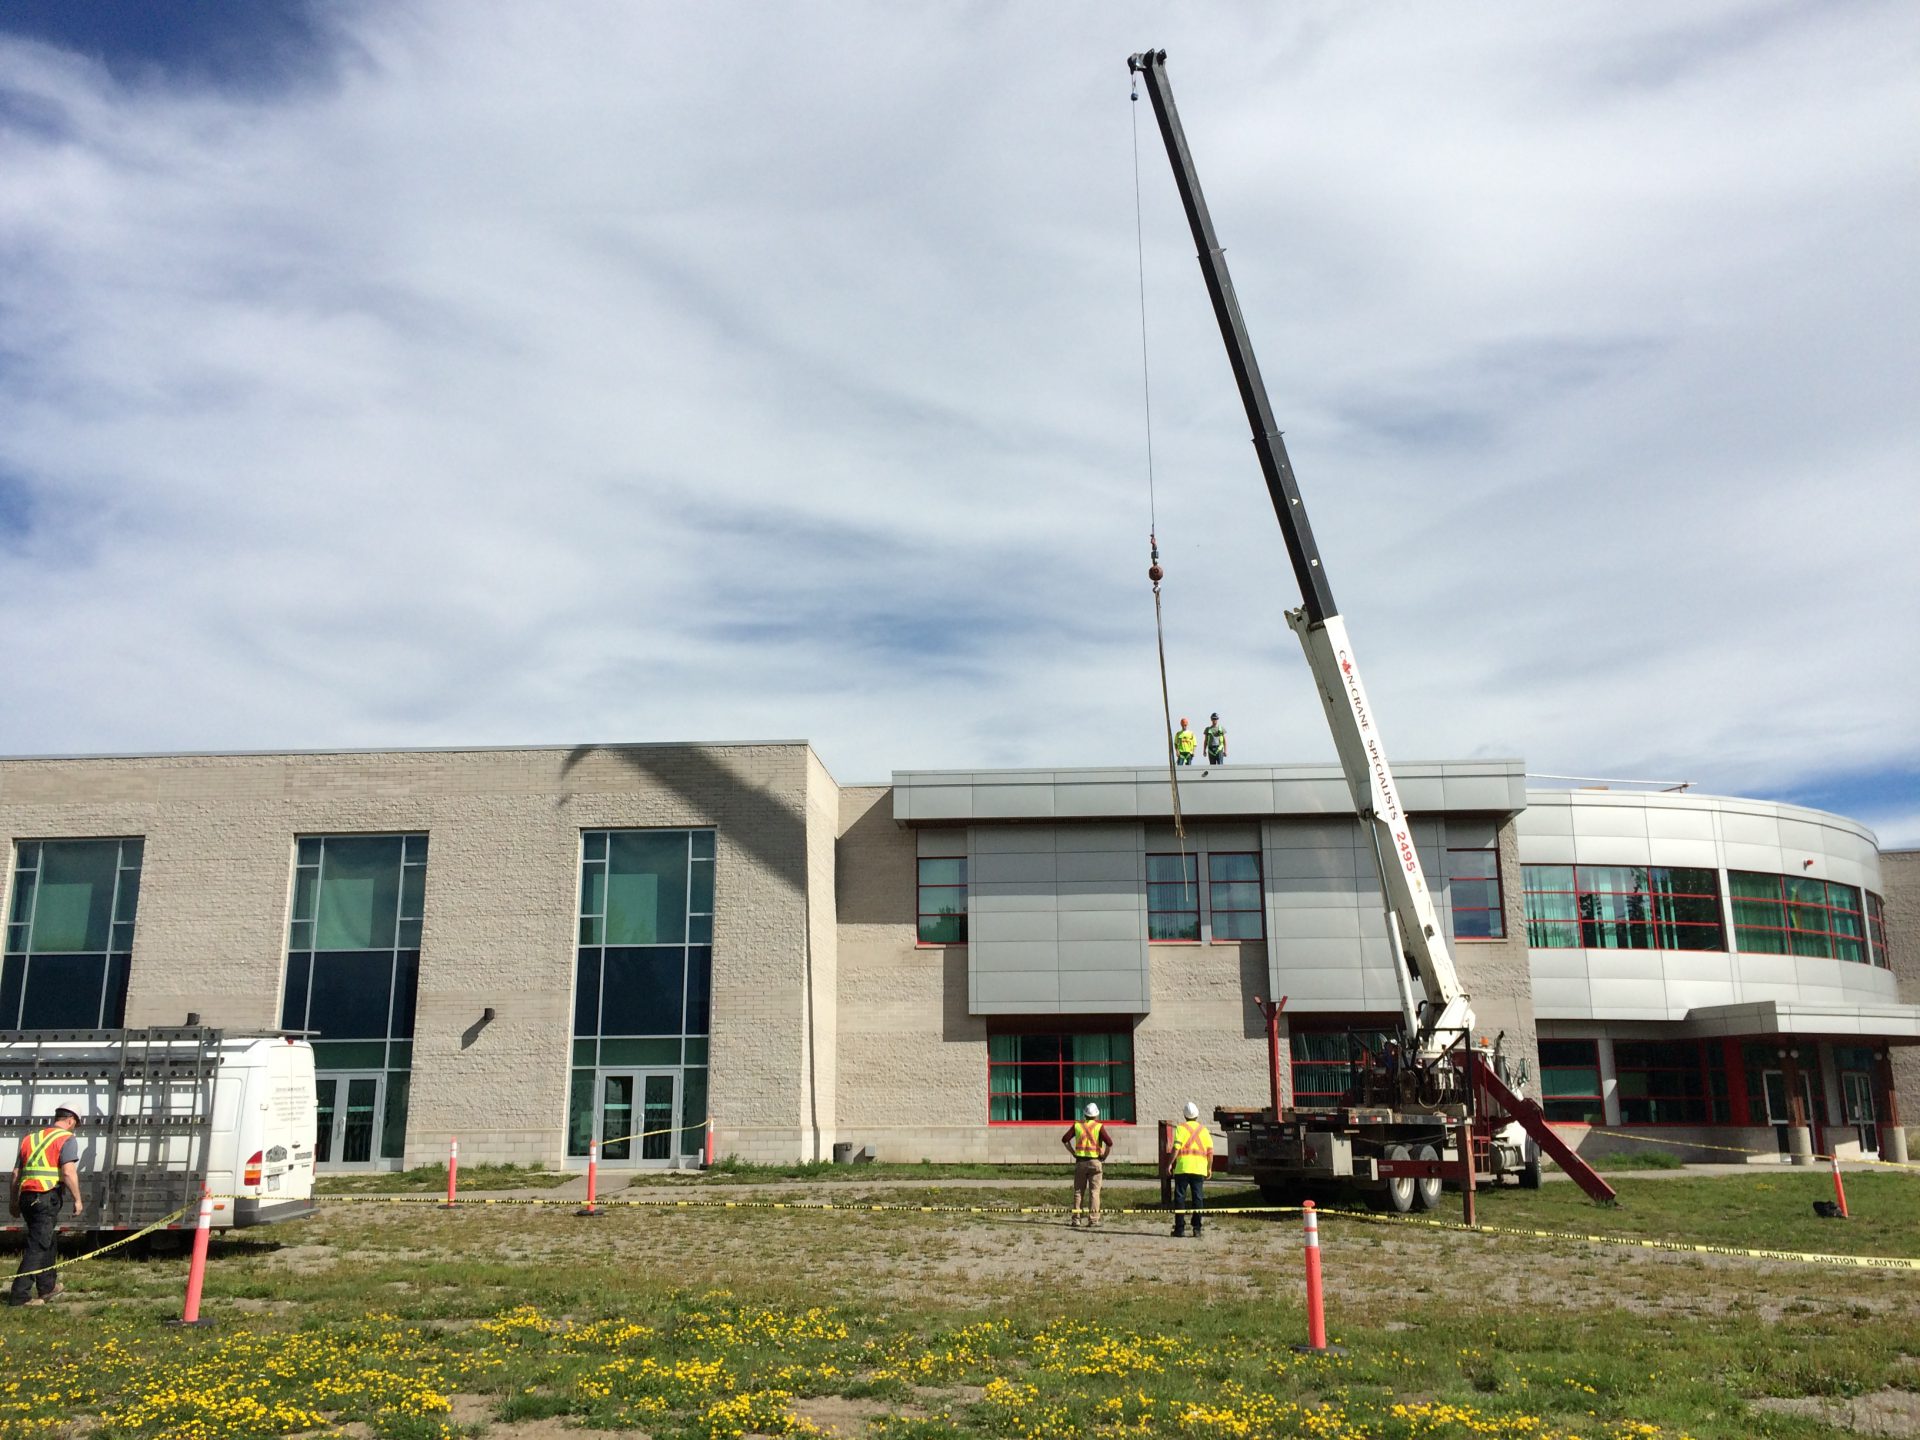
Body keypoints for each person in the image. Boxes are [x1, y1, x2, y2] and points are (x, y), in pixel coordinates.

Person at [10, 1107, 83, 1306]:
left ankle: (47, 1286)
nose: (74, 1128)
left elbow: (16, 1174)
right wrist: (78, 1199)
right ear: (70, 1120)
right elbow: (68, 1172)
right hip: (45, 1196)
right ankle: (19, 1296)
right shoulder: (66, 1138)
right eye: (76, 1124)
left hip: (27, 1197)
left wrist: (13, 1201)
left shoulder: (30, 1139)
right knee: (39, 1245)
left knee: (47, 1240)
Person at [1061, 1101, 1113, 1228]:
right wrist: (1104, 1155)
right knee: (1095, 1192)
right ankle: (1093, 1220)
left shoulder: (1077, 1126)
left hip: (1081, 1162)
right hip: (1095, 1162)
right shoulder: (1099, 1126)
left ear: (1085, 1114)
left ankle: (1076, 1219)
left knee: (1078, 1191)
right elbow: (1109, 1143)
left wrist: (1073, 1152)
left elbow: (1065, 1140)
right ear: (1096, 1115)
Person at [1167, 1100, 1214, 1238]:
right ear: (1197, 1115)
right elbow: (1210, 1152)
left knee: (1180, 1199)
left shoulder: (1181, 1128)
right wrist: (1209, 1168)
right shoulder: (1204, 1130)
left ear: (1184, 1115)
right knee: (1198, 1198)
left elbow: (1176, 1148)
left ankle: (1180, 1228)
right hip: (1199, 1169)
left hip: (1182, 1169)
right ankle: (1197, 1228)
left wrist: (1170, 1163)